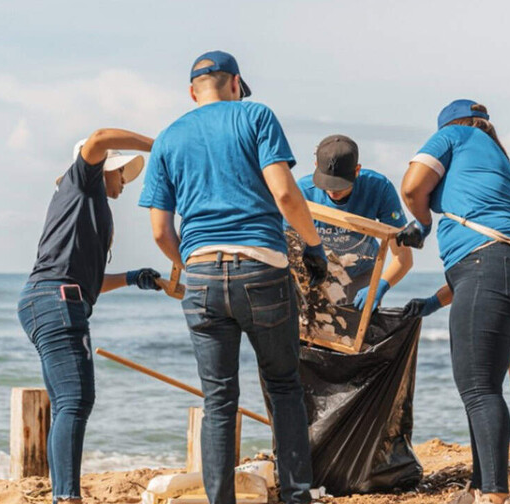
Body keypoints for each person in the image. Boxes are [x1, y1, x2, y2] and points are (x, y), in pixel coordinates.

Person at [139, 50, 325, 504]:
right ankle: (297, 496)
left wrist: (189, 267)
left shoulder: (167, 138)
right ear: (236, 84)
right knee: (283, 387)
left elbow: (162, 231)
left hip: (200, 273)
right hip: (261, 267)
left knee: (218, 400)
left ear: (191, 92)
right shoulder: (255, 116)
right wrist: (314, 247)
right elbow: (284, 192)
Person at [396, 99, 510, 504]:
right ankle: (481, 486)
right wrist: (432, 302)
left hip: (489, 268)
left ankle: (494, 495)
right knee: (484, 387)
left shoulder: (455, 135)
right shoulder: (500, 161)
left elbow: (412, 186)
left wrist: (423, 224)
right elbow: (483, 270)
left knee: (478, 389)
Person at [17, 129, 159, 504]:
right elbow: (98, 138)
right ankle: (66, 498)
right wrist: (155, 144)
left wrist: (133, 278)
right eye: (121, 171)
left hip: (54, 298)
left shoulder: (88, 206)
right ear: (101, 169)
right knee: (76, 400)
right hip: (56, 299)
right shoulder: (83, 184)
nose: (125, 179)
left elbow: (89, 285)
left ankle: (63, 495)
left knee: (69, 402)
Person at [295, 134, 412, 310]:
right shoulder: (303, 192)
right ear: (316, 167)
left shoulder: (379, 188)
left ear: (357, 170)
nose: (333, 191)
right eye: (328, 183)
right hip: (317, 274)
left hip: (361, 274)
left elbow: (403, 257)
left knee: (360, 332)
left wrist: (379, 286)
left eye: (341, 184)